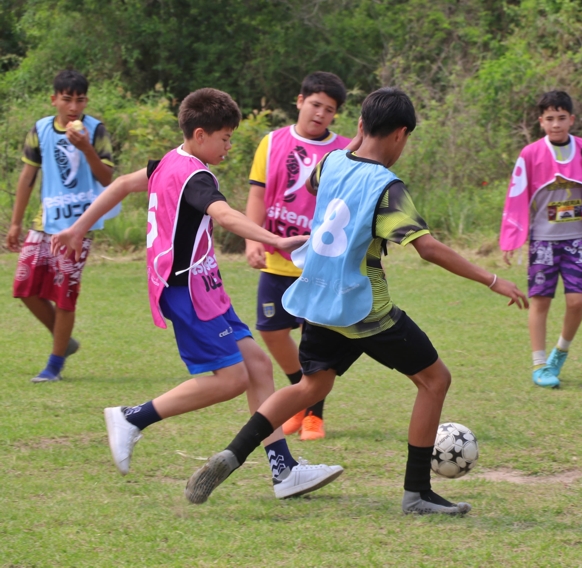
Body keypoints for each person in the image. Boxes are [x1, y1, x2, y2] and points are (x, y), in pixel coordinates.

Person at [184, 87, 528, 514]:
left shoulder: (330, 162)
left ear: (361, 125)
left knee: (312, 385)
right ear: (401, 134)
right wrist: (492, 279)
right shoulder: (387, 188)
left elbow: (317, 181)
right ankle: (417, 494)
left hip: (318, 298)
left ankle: (231, 454)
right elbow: (427, 248)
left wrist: (357, 142)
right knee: (435, 380)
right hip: (365, 309)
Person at [51, 88, 342, 499]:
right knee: (233, 379)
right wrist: (275, 240)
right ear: (201, 134)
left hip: (205, 288)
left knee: (259, 367)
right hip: (187, 291)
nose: (228, 146)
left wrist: (78, 228)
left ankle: (284, 470)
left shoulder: (168, 162)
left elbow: (120, 185)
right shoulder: (196, 176)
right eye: (225, 138)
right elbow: (224, 215)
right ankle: (133, 417)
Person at [245, 72, 351, 441]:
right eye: (315, 104)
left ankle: (314, 416)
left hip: (322, 262)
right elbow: (257, 194)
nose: (320, 113)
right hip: (278, 258)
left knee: (314, 341)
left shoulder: (344, 152)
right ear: (300, 101)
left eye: (329, 109)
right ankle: (300, 396)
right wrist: (252, 239)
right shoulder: (272, 142)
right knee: (271, 331)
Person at [6, 69, 115, 383]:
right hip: (44, 222)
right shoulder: (40, 129)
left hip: (79, 225)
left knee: (64, 294)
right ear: (54, 99)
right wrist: (15, 223)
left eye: (79, 100)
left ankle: (53, 365)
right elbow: (27, 178)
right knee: (24, 287)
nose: (73, 107)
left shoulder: (95, 130)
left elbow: (107, 179)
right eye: (67, 99)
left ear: (86, 101)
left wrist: (86, 148)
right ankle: (63, 341)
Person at [499, 91, 582, 389]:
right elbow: (515, 197)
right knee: (540, 301)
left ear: (572, 119)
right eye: (550, 119)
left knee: (577, 301)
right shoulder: (530, 154)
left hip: (577, 240)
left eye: (561, 118)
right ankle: (539, 364)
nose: (556, 124)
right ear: (541, 122)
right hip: (543, 242)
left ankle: (559, 353)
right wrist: (511, 239)